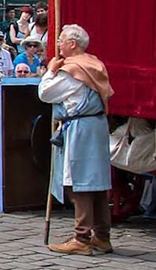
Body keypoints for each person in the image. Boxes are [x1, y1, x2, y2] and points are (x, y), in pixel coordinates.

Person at [40, 24, 116, 256]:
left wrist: (50, 71)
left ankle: (82, 237)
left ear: (73, 44)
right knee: (97, 181)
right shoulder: (94, 63)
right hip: (95, 125)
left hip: (82, 127)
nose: (59, 44)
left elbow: (45, 93)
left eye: (61, 40)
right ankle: (102, 236)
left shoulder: (75, 70)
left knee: (81, 180)